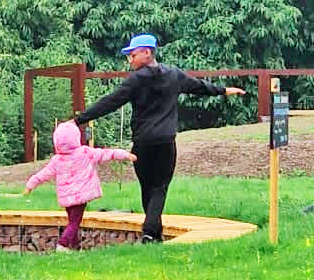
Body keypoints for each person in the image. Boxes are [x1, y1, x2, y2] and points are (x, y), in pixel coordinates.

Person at [74, 33, 246, 243]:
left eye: (132, 55)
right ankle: (151, 233)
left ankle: (151, 233)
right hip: (165, 142)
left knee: (149, 187)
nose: (130, 60)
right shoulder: (173, 75)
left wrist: (79, 119)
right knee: (158, 188)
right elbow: (199, 87)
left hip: (142, 144)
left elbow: (110, 102)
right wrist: (224, 90)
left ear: (147, 53)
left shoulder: (135, 81)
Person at [23, 119, 136, 251]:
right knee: (74, 222)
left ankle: (74, 248)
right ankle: (63, 244)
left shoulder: (57, 160)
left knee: (72, 221)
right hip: (81, 196)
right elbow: (105, 153)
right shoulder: (85, 153)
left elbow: (44, 174)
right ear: (76, 137)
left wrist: (30, 185)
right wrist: (125, 154)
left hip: (67, 198)